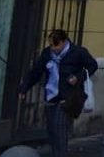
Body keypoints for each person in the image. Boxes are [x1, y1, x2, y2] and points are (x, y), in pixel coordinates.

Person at [17, 29, 98, 157]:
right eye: (51, 45)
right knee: (52, 131)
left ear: (64, 41)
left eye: (56, 45)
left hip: (67, 98)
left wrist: (78, 77)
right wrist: (24, 88)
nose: (53, 48)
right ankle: (58, 153)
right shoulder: (47, 54)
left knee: (59, 128)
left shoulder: (77, 52)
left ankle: (60, 154)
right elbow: (36, 72)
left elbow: (93, 65)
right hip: (51, 96)